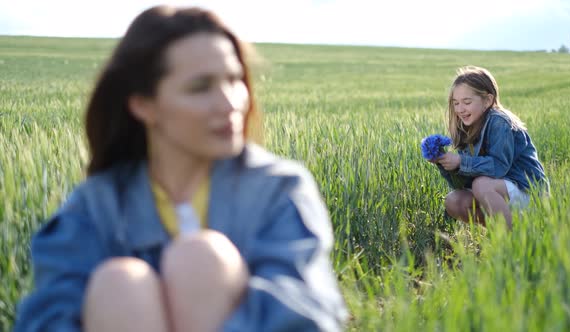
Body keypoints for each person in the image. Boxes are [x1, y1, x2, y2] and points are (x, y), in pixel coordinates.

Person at [14, 6, 347, 332]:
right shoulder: (96, 206)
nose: (230, 103)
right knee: (119, 283)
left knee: (200, 260)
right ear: (143, 105)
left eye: (235, 80)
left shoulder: (278, 189)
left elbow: (303, 314)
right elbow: (48, 318)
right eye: (201, 87)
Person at [432, 66, 548, 229]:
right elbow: (463, 185)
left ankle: (508, 241)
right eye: (456, 103)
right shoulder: (467, 128)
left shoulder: (499, 122)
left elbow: (498, 167)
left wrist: (460, 161)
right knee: (454, 200)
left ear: (487, 100)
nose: (460, 109)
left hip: (529, 193)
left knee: (481, 185)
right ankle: (512, 229)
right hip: (502, 193)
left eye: (467, 102)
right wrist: (444, 163)